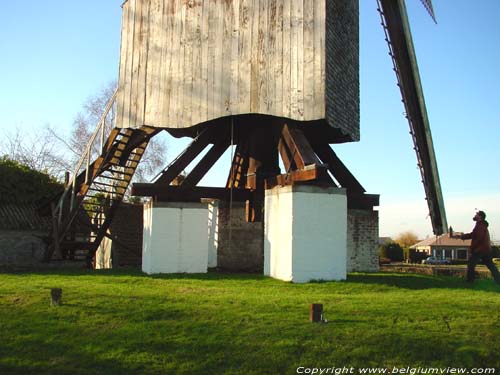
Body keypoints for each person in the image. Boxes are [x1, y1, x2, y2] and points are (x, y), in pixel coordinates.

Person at [460, 211, 500, 284]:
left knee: (471, 264)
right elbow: (473, 235)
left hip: (480, 249)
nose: (475, 215)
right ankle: (498, 280)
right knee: (490, 265)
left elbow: (478, 238)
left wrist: (472, 248)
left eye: (476, 214)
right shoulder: (480, 225)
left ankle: (470, 281)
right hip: (485, 249)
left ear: (480, 217)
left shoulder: (480, 226)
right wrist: (462, 236)